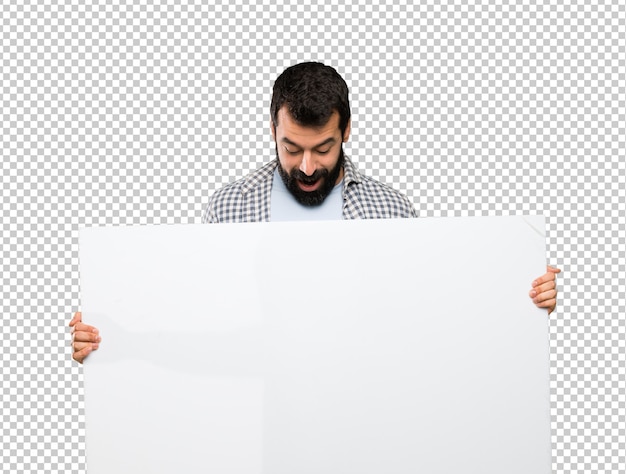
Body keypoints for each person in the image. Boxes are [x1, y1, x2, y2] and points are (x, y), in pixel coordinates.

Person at [69, 61, 560, 363]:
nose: (306, 166)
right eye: (291, 147)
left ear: (346, 131)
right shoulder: (229, 208)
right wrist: (113, 338)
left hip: (377, 419)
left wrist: (519, 299)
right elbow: (197, 319)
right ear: (272, 131)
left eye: (322, 148)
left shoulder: (391, 211)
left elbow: (435, 315)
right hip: (262, 430)